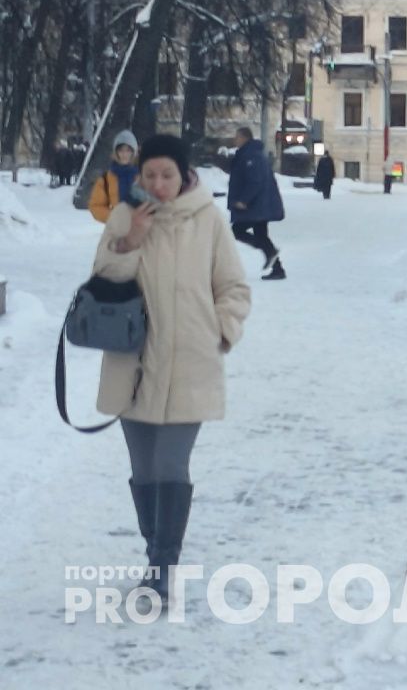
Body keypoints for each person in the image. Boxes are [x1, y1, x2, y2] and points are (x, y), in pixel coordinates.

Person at [92, 133, 251, 604]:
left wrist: (219, 331)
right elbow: (101, 279)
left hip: (190, 364)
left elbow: (234, 287)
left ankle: (163, 566)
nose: (159, 184)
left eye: (168, 174)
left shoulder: (208, 219)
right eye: (150, 174)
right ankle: (154, 554)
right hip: (133, 364)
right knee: (143, 471)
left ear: (184, 176)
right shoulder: (125, 216)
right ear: (139, 175)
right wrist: (131, 241)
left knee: (169, 464)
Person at [227, 127, 287, 280]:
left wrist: (244, 200)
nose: (235, 140)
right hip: (260, 203)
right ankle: (277, 268)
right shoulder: (250, 153)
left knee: (237, 230)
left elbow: (255, 181)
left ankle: (271, 254)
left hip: (255, 204)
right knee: (261, 235)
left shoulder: (251, 155)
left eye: (237, 137)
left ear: (245, 138)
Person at [88, 130, 140, 223]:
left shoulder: (144, 176)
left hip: (142, 227)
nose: (124, 154)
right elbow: (95, 206)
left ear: (134, 152)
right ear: (115, 152)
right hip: (118, 228)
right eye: (121, 150)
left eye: (128, 150)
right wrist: (114, 216)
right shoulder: (106, 179)